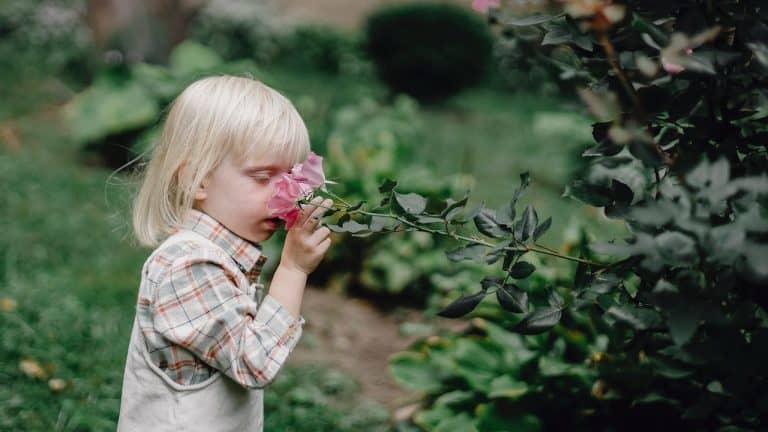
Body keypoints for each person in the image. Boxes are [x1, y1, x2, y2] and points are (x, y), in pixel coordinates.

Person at [117, 75, 333, 431]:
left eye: (291, 177)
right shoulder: (187, 265)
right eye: (263, 177)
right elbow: (254, 362)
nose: (288, 194)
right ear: (195, 180)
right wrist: (293, 269)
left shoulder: (221, 257)